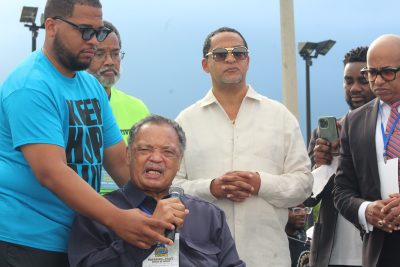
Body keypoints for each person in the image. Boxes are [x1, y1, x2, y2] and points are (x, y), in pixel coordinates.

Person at [0, 1, 173, 266]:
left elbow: (118, 160)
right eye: (84, 31)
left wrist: (159, 203)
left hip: (81, 237)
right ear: (51, 27)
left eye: (99, 31)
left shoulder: (89, 85)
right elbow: (51, 173)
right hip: (27, 242)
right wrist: (117, 218)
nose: (93, 41)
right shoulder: (30, 85)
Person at [174, 26, 313, 266]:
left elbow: (303, 183)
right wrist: (212, 188)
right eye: (220, 54)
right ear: (205, 65)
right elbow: (170, 188)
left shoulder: (279, 117)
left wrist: (260, 183)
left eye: (238, 53)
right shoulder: (185, 122)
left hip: (267, 257)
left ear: (247, 61)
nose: (230, 58)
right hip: (202, 258)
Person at [68, 115, 245, 267]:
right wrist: (148, 235)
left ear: (179, 161)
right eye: (145, 149)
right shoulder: (99, 213)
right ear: (129, 155)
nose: (156, 158)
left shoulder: (208, 215)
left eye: (168, 152)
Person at [334, 34, 400, 267]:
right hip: (381, 251)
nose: (378, 81)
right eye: (371, 73)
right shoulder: (354, 122)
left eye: (388, 71)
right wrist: (366, 210)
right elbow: (341, 190)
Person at [306, 47, 375, 267]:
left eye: (362, 80)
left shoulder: (390, 133)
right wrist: (321, 165)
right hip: (331, 255)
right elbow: (307, 199)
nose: (354, 88)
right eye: (348, 81)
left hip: (377, 252)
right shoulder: (323, 134)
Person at [86, 20, 149, 194]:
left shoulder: (137, 107)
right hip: (80, 210)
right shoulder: (69, 103)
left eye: (115, 54)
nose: (110, 62)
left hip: (128, 207)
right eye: (99, 54)